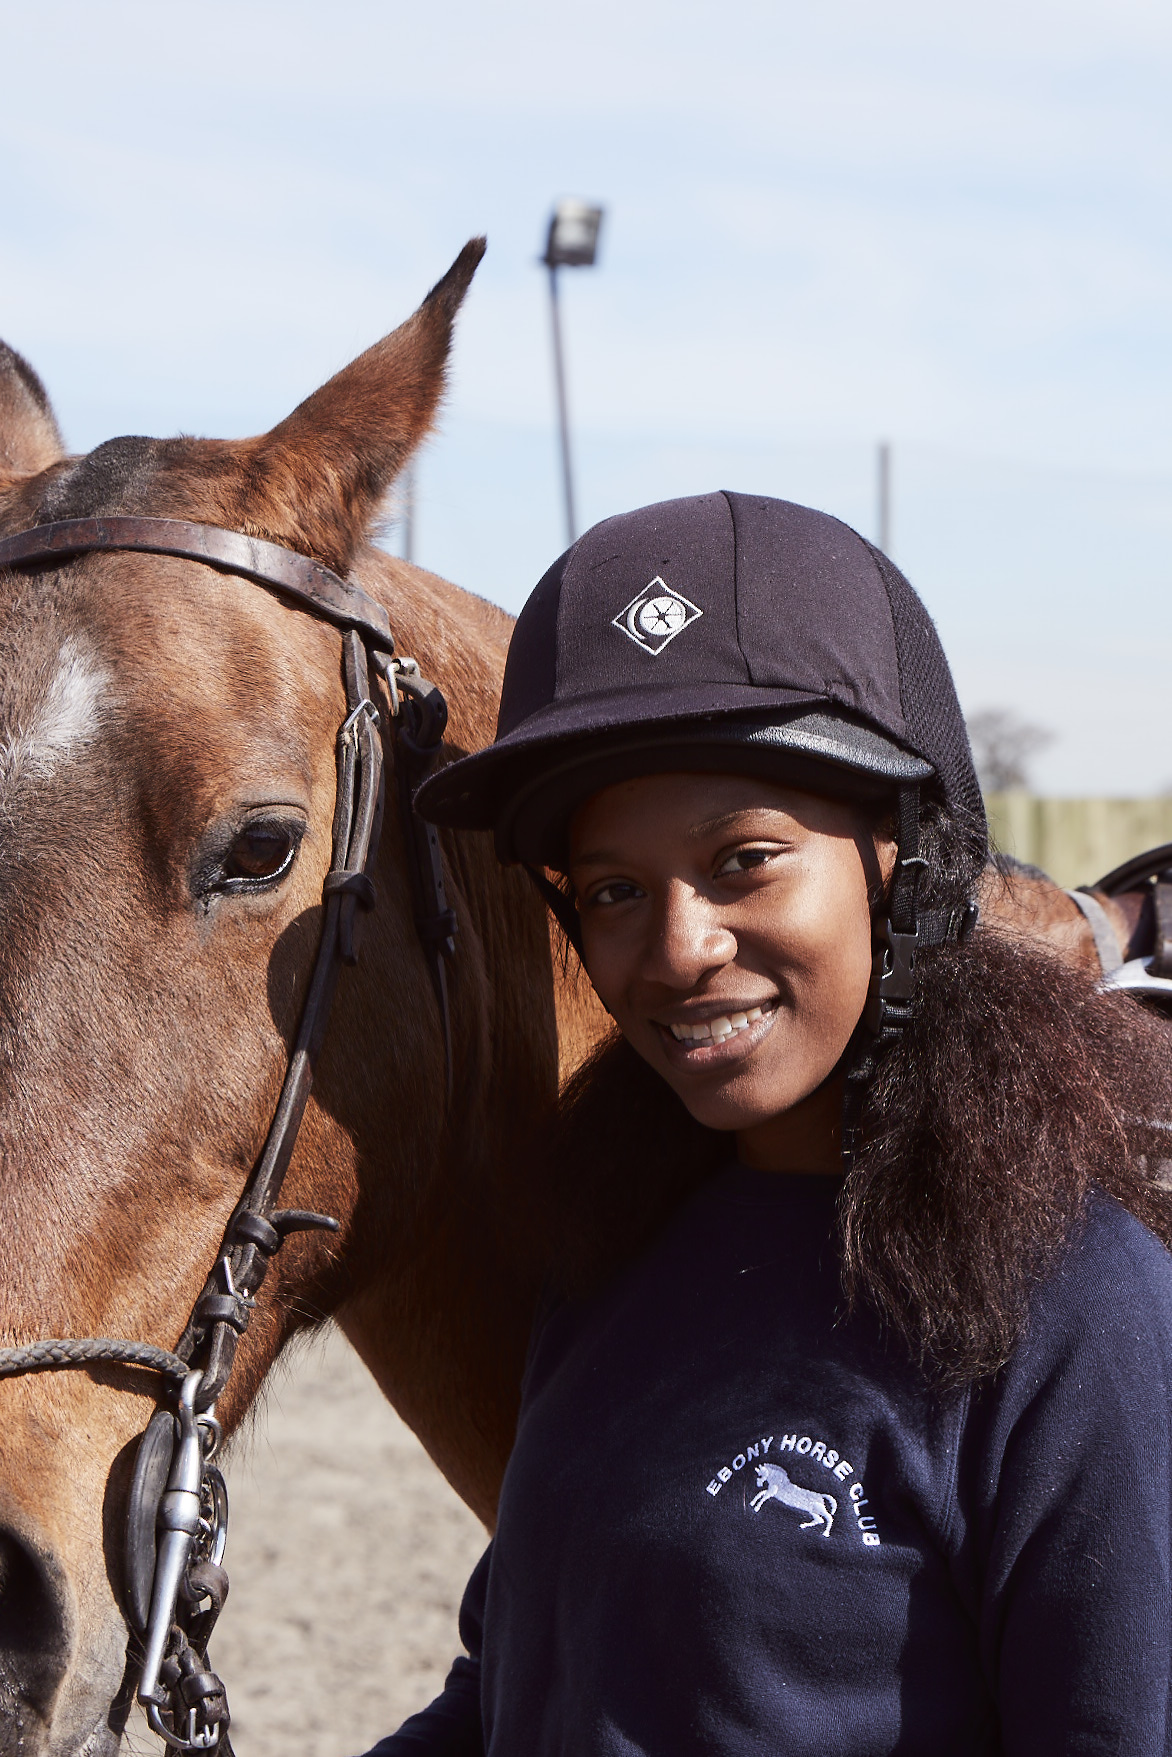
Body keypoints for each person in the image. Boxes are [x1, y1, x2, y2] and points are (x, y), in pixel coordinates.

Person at [373, 493, 1172, 1755]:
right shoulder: (608, 1244)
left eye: (744, 857)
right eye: (614, 889)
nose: (676, 948)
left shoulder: (1073, 1307)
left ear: (902, 858)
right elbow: (515, 1687)